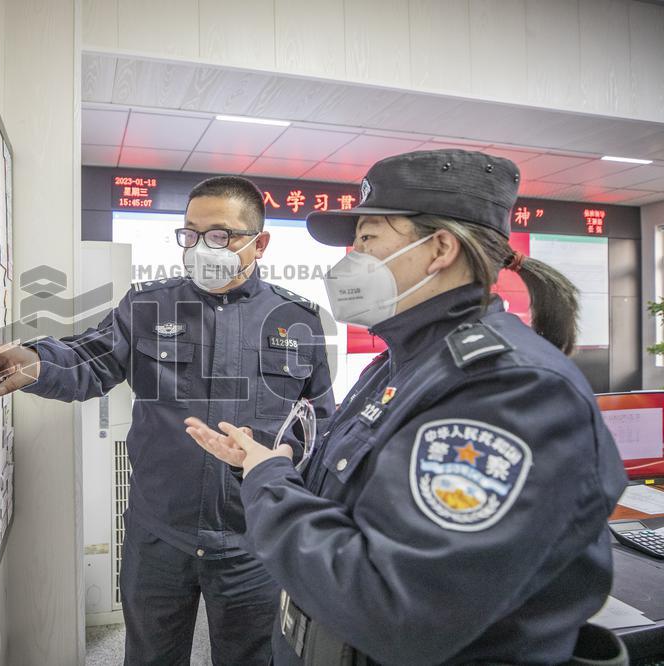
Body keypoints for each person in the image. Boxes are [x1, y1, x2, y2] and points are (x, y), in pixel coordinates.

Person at [184, 150, 629, 665]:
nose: (352, 257)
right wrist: (272, 465)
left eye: (369, 238)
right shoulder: (404, 363)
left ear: (439, 248)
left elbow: (395, 608)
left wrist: (269, 480)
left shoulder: (508, 390)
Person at [0, 176, 335, 665]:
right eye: (191, 235)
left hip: (253, 540)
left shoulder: (297, 320)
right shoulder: (149, 305)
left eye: (219, 235)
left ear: (259, 243)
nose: (201, 247)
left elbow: (318, 429)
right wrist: (30, 361)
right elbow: (89, 360)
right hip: (159, 534)